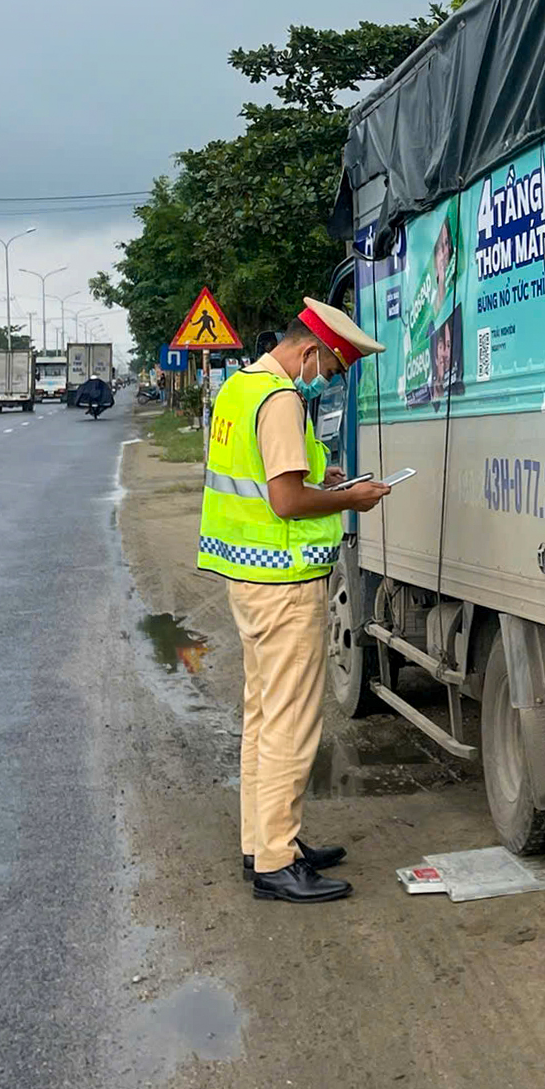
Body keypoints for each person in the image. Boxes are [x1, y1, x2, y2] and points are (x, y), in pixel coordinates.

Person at [198, 297, 389, 903]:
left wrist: (320, 479)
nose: (326, 383)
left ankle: (263, 842)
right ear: (310, 351)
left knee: (262, 715)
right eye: (330, 372)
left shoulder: (239, 389)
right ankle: (278, 862)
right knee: (290, 723)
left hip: (248, 579)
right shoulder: (280, 400)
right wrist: (349, 500)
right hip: (283, 585)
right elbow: (284, 501)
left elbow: (267, 478)